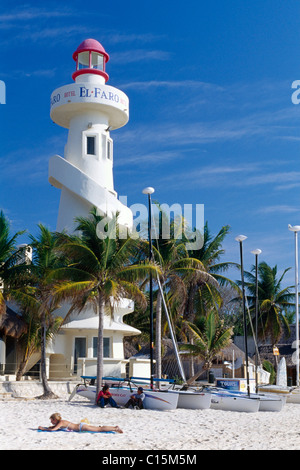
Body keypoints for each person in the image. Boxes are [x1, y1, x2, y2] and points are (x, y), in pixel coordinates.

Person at [38, 412, 123, 433]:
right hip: (81, 426)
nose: (51, 422)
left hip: (81, 427)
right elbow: (53, 428)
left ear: (55, 419)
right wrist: (48, 427)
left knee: (99, 429)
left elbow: (53, 430)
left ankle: (115, 428)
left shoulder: (60, 423)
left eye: (51, 420)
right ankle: (114, 427)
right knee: (98, 428)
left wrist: (43, 429)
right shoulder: (60, 422)